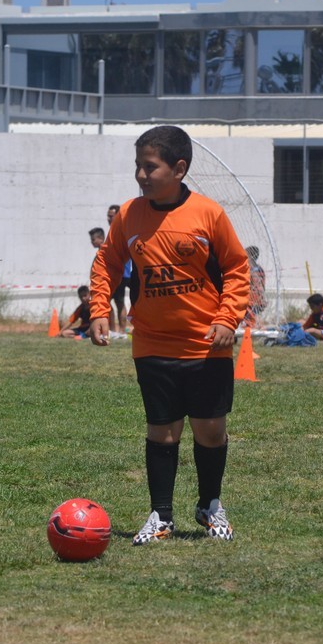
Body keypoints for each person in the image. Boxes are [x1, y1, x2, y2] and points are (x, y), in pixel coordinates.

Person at [89, 125, 250, 545]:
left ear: (179, 169)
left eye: (150, 167)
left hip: (206, 345)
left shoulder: (208, 214)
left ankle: (210, 504)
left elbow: (237, 269)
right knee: (162, 431)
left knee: (210, 430)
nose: (141, 175)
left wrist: (227, 319)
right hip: (153, 342)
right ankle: (161, 516)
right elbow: (107, 263)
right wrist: (99, 308)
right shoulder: (129, 215)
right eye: (138, 166)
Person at [106, 204, 132, 337]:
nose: (109, 219)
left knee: (119, 301)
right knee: (113, 301)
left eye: (111, 216)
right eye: (108, 216)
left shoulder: (123, 229)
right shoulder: (113, 231)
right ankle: (115, 330)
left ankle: (122, 330)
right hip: (116, 272)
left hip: (122, 273)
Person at [245, 245, 266, 327]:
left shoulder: (251, 269)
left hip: (251, 299)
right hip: (257, 298)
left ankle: (254, 329)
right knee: (252, 319)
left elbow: (256, 284)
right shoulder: (259, 268)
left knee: (251, 321)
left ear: (250, 256)